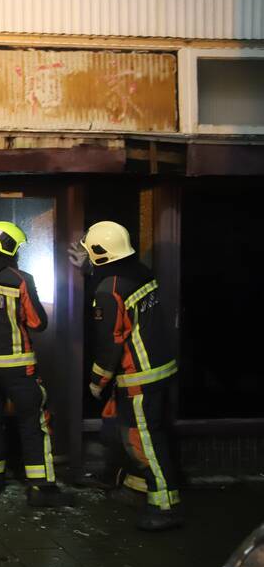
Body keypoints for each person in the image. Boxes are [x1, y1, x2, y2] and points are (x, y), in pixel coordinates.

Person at [0, 221, 74, 507]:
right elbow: (37, 323)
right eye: (17, 247)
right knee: (33, 423)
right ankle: (40, 488)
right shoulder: (20, 279)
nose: (18, 253)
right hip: (19, 368)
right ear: (8, 246)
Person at [80, 221, 182, 531]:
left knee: (143, 441)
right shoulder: (140, 274)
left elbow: (110, 342)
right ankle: (137, 487)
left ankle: (165, 507)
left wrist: (98, 381)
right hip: (159, 369)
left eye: (89, 253)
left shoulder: (109, 290)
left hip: (139, 376)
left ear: (100, 253)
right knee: (130, 433)